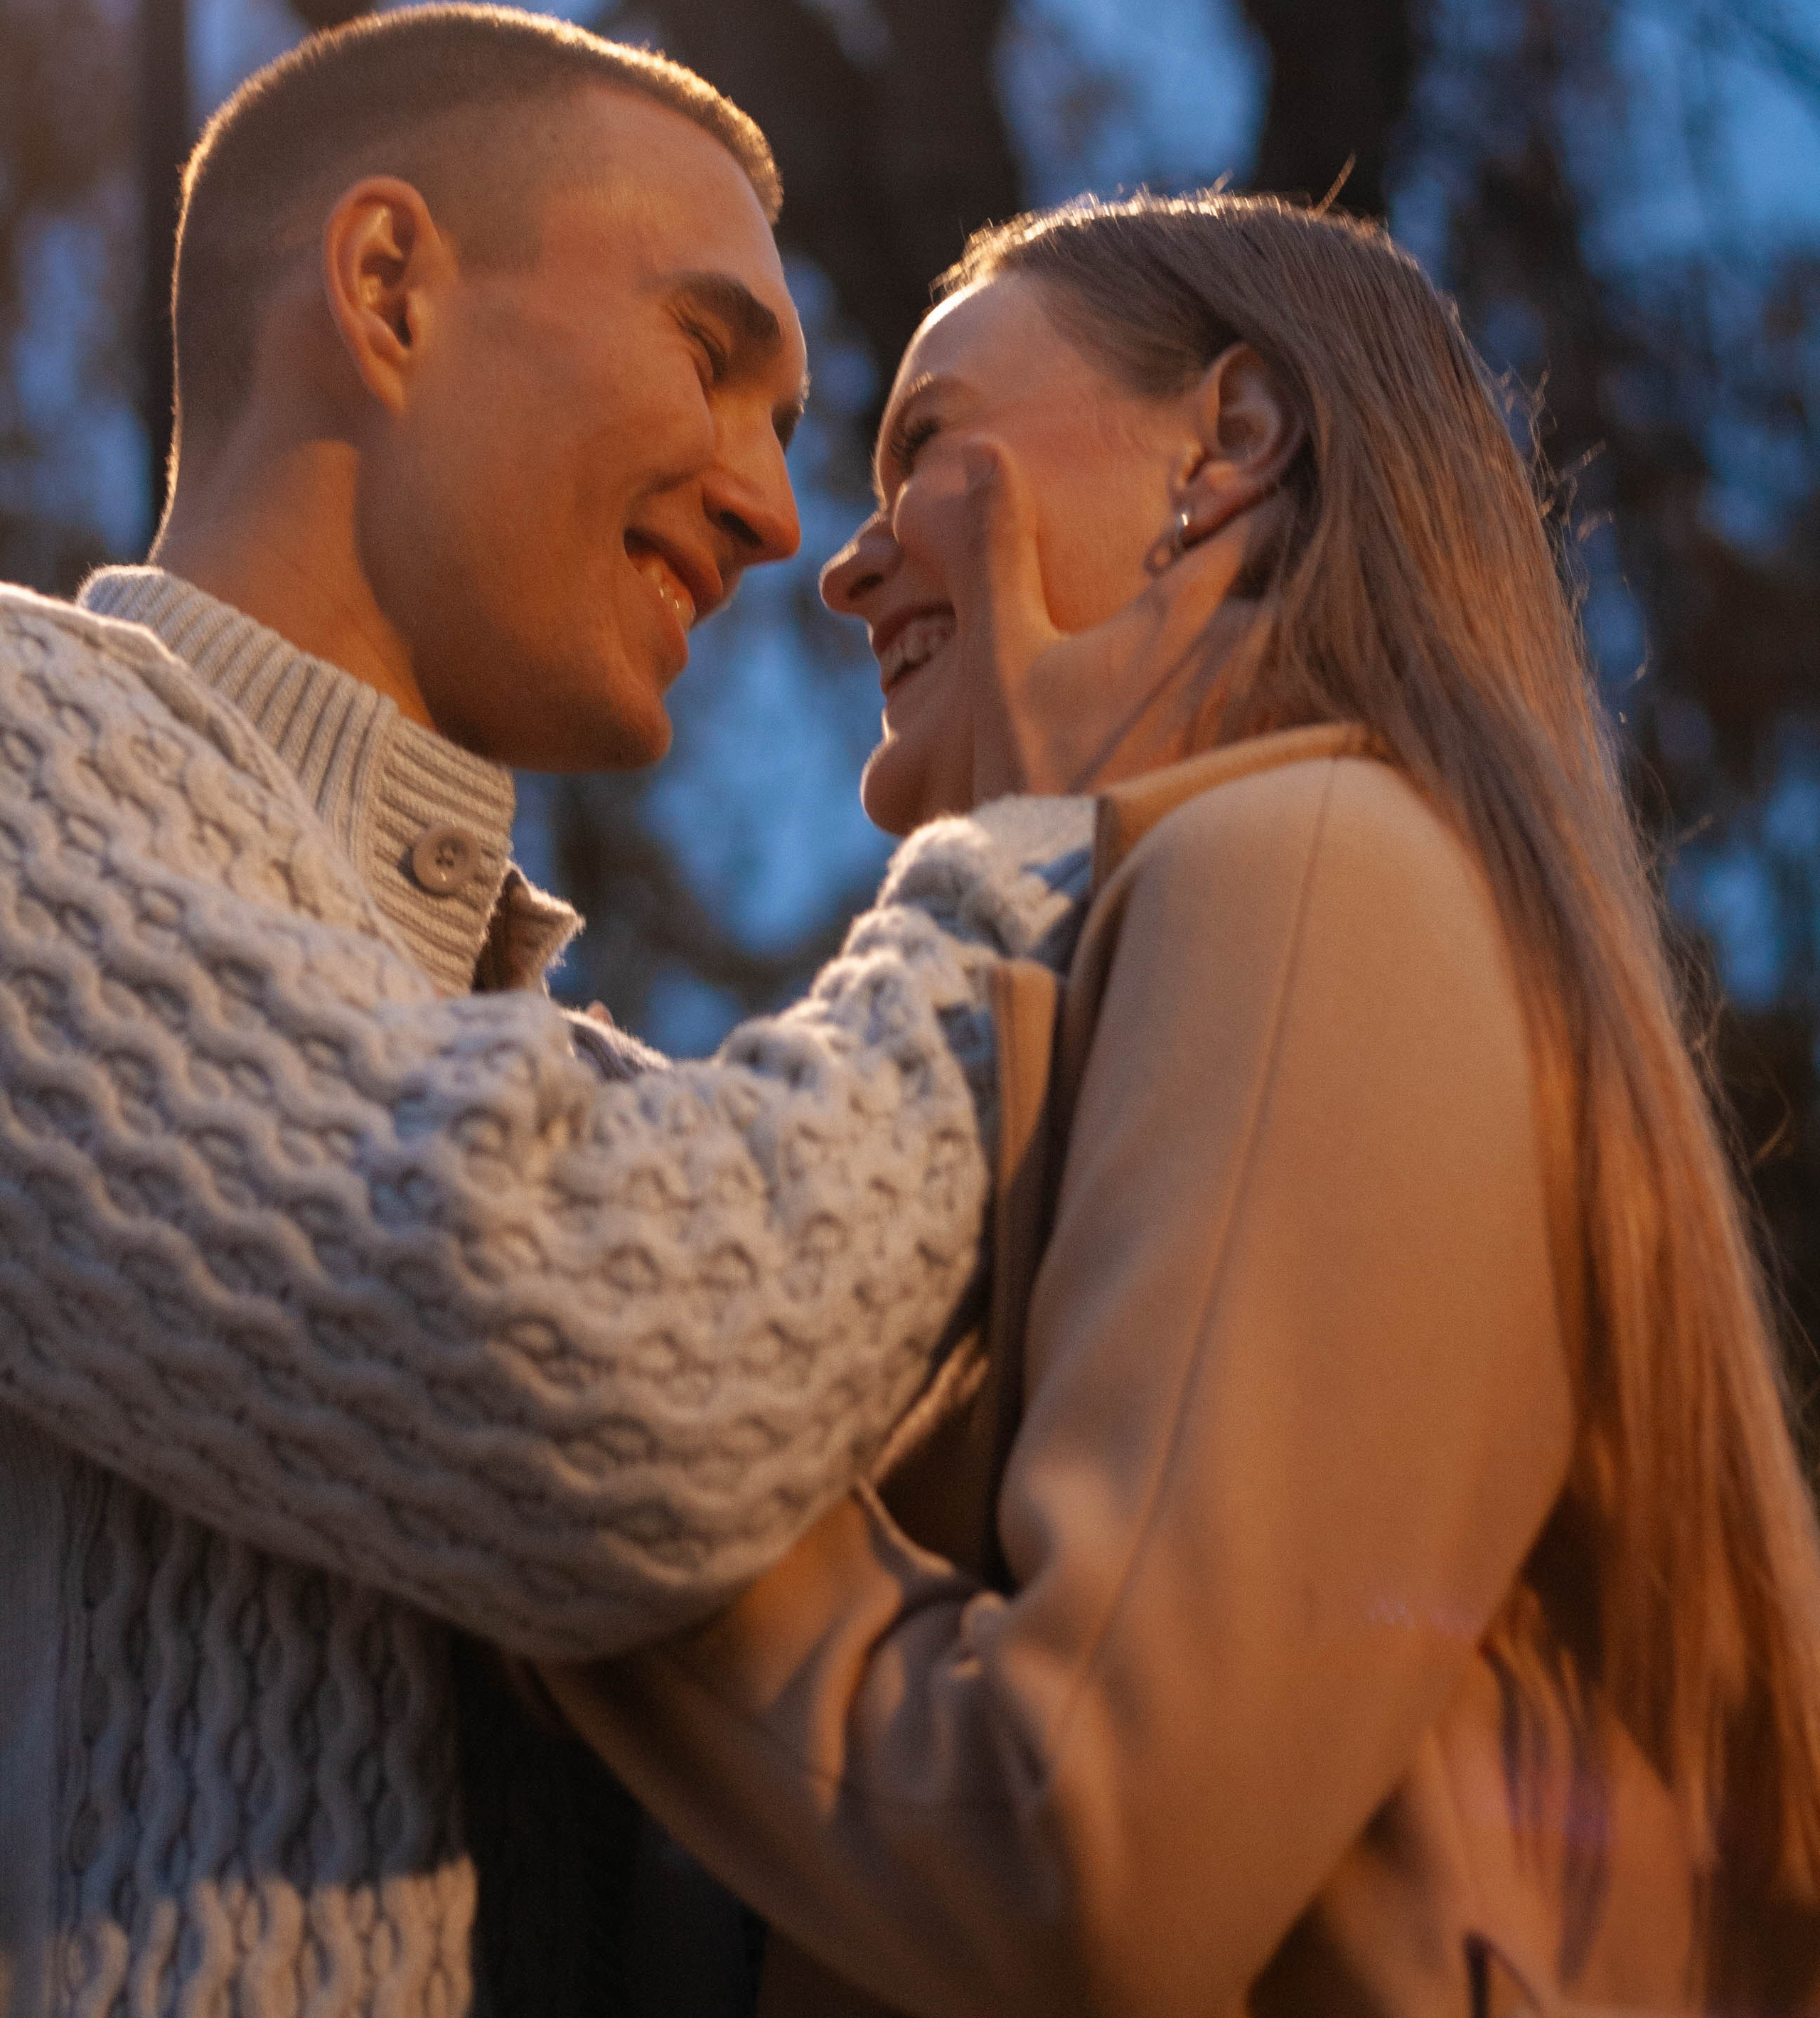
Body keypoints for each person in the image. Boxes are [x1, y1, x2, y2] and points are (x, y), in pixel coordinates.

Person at [546, 191, 1820, 2016]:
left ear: (1229, 444)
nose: (840, 560)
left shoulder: (1301, 872)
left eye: (926, 444)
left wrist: (569, 1455)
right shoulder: (1281, 911)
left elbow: (1083, 1865)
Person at [0, 4, 1141, 2018]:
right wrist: (1043, 856)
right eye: (713, 359)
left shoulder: (586, 1093)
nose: (777, 519)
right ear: (385, 289)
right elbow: (618, 1373)